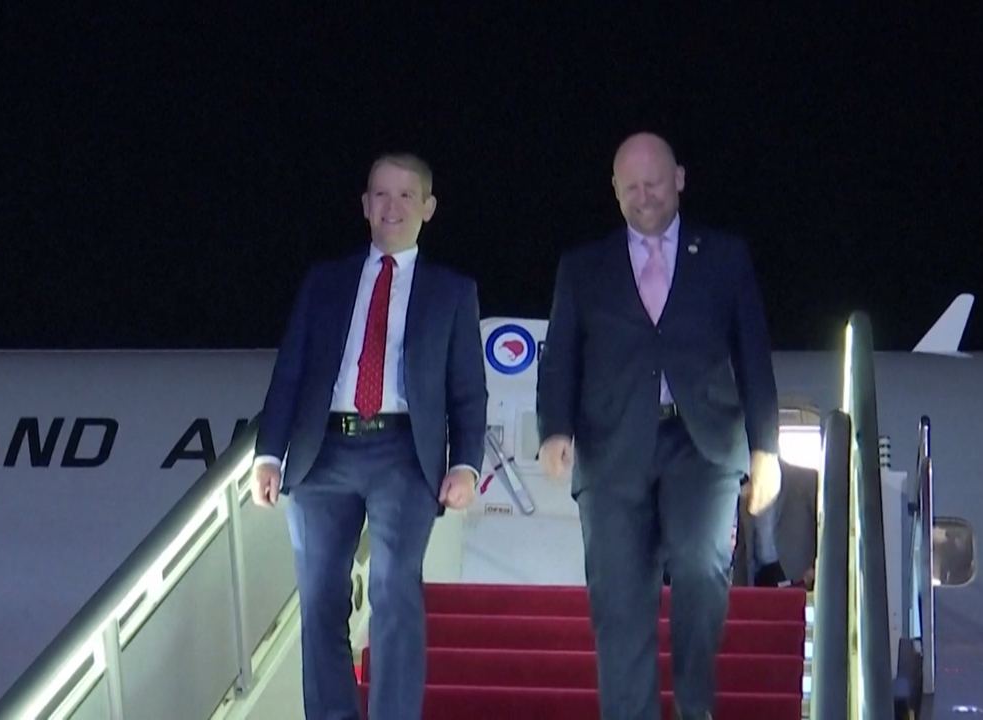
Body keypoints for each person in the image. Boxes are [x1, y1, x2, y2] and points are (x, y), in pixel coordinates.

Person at [536, 132, 782, 720]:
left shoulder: (724, 255)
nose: (646, 196)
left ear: (680, 180)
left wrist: (765, 447)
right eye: (632, 187)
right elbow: (561, 354)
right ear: (616, 192)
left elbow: (752, 351)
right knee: (620, 602)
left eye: (656, 182)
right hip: (612, 447)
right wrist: (554, 429)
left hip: (702, 443)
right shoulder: (583, 266)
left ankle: (695, 708)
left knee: (701, 567)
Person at [249, 153, 488, 720]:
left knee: (393, 591)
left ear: (428, 208)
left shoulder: (452, 291)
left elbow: (468, 390)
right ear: (364, 205)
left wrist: (467, 463)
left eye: (407, 196)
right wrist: (268, 453)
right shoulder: (325, 281)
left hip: (404, 455)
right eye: (381, 195)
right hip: (321, 454)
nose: (392, 207)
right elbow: (291, 371)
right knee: (321, 599)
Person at [733, 460, 819, 589]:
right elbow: (743, 546)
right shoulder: (745, 489)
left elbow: (827, 533)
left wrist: (816, 570)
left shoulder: (806, 480)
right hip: (760, 578)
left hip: (800, 579)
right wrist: (737, 592)